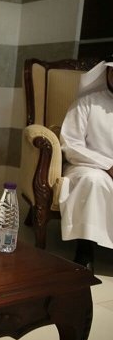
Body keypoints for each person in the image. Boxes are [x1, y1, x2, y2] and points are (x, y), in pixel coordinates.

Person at [59, 60, 113, 270]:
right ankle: (84, 251)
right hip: (86, 166)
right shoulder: (86, 103)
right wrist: (108, 165)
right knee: (93, 180)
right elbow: (70, 144)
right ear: (107, 73)